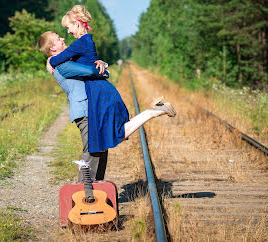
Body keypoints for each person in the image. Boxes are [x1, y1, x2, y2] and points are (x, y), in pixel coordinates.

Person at [38, 30, 176, 181]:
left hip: (92, 109)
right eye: (58, 39)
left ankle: (96, 187)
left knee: (101, 148)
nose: (63, 38)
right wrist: (102, 71)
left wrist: (102, 64)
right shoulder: (62, 64)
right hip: (84, 111)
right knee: (92, 150)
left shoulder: (62, 61)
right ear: (52, 48)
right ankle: (85, 189)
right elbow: (90, 70)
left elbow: (89, 63)